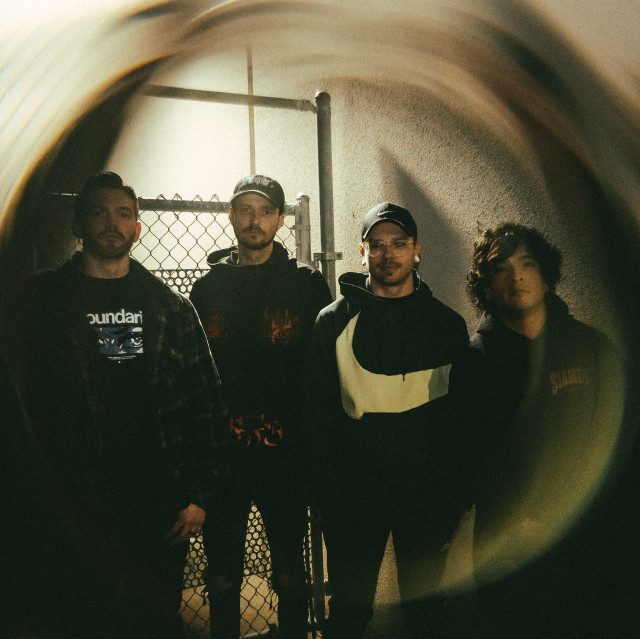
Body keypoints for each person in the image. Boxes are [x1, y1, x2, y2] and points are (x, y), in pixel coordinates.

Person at [17, 172, 224, 639]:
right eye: (99, 212)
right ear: (78, 225)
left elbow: (207, 404)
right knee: (81, 620)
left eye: (123, 214)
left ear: (137, 228)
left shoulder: (170, 308)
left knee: (156, 621)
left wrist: (198, 497)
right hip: (74, 505)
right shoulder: (42, 304)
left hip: (158, 505)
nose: (112, 223)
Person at [307, 202, 471, 639]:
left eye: (399, 243)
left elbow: (459, 420)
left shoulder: (447, 325)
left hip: (426, 497)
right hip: (353, 500)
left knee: (426, 613)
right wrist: (327, 493)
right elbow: (317, 414)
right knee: (348, 615)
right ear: (362, 254)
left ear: (417, 250)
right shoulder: (332, 323)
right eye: (376, 245)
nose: (388, 254)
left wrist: (453, 492)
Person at [189, 175, 332, 639]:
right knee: (222, 575)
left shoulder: (306, 287)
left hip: (286, 456)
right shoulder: (206, 290)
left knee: (290, 573)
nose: (255, 220)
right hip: (224, 458)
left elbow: (323, 375)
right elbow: (193, 380)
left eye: (265, 211)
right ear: (231, 216)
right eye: (245, 210)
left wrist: (316, 455)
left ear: (281, 219)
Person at [463, 222, 622, 637]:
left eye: (527, 263)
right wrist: (520, 522)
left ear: (547, 277)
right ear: (487, 287)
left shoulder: (592, 348)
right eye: (501, 268)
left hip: (589, 536)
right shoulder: (475, 364)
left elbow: (618, 440)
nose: (516, 276)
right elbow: (471, 456)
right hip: (510, 546)